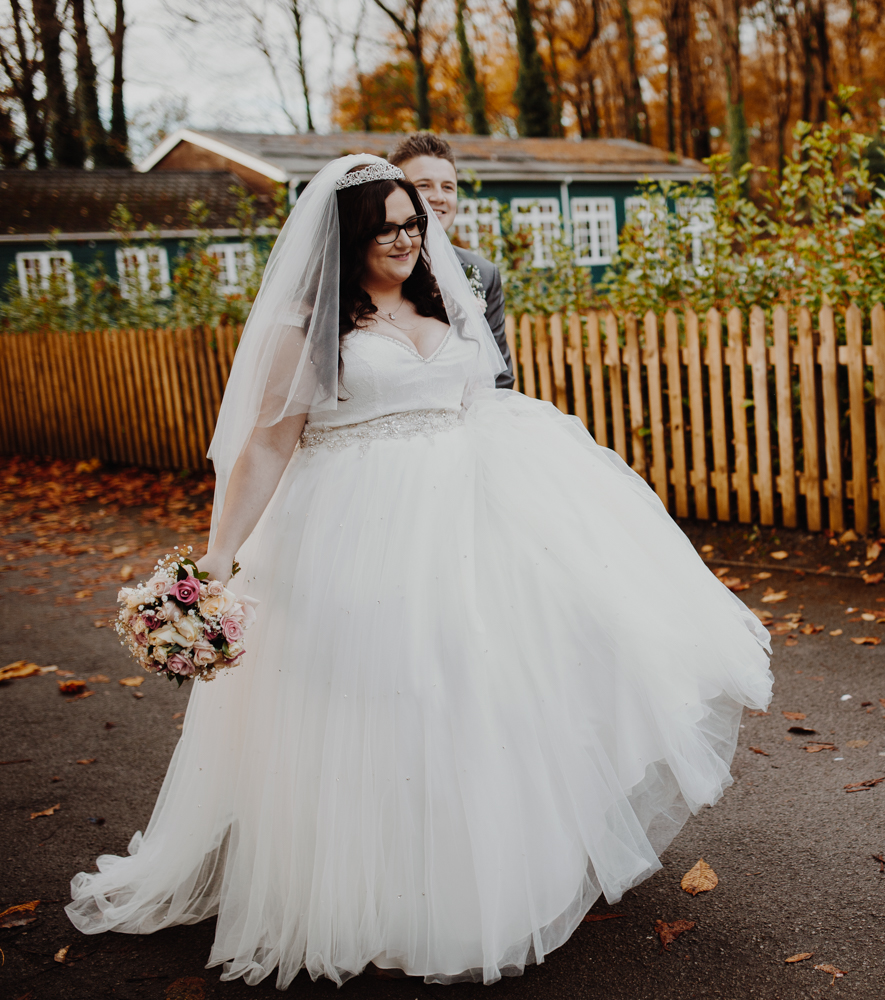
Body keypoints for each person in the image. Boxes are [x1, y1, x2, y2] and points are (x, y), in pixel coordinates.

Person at [65, 154, 773, 988]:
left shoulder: (448, 292)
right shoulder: (310, 323)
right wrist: (219, 555)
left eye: (412, 221)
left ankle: (494, 875)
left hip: (478, 516)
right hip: (361, 526)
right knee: (395, 700)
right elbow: (265, 447)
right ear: (351, 235)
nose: (406, 237)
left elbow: (485, 396)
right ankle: (386, 891)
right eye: (387, 226)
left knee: (499, 690)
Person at [388, 132, 512, 390]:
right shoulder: (379, 266)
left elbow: (499, 377)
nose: (439, 197)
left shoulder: (483, 273)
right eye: (423, 186)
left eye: (448, 187)